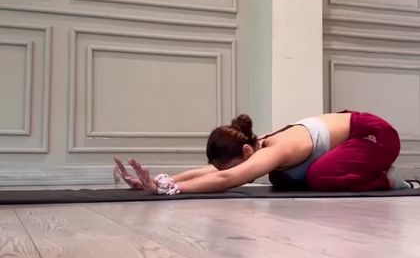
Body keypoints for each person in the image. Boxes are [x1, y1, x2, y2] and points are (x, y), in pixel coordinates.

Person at [114, 110, 418, 196]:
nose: (233, 169)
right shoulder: (253, 147)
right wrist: (160, 180)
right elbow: (218, 172)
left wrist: (169, 189)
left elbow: (228, 179)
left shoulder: (275, 150)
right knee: (282, 179)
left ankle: (390, 180)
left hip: (376, 136)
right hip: (351, 140)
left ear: (247, 150)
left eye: (235, 164)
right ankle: (364, 169)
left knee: (319, 176)